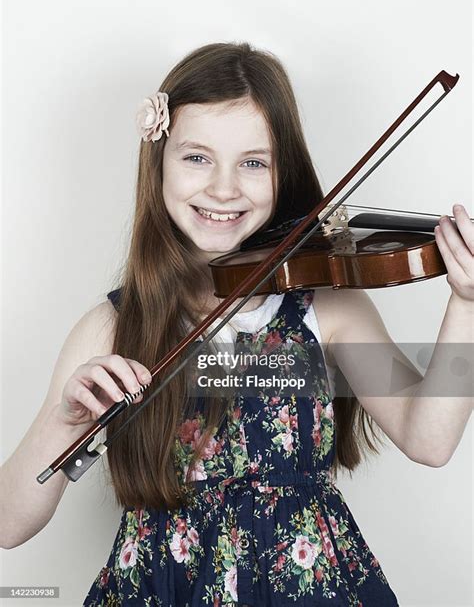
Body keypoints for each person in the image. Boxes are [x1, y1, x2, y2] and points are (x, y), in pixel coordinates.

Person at [1, 42, 472, 607]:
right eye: (197, 157)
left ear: (283, 173)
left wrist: (466, 303)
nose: (224, 188)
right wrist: (62, 422)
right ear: (159, 161)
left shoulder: (327, 308)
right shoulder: (112, 327)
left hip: (308, 586)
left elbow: (430, 439)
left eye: (253, 162)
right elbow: (8, 525)